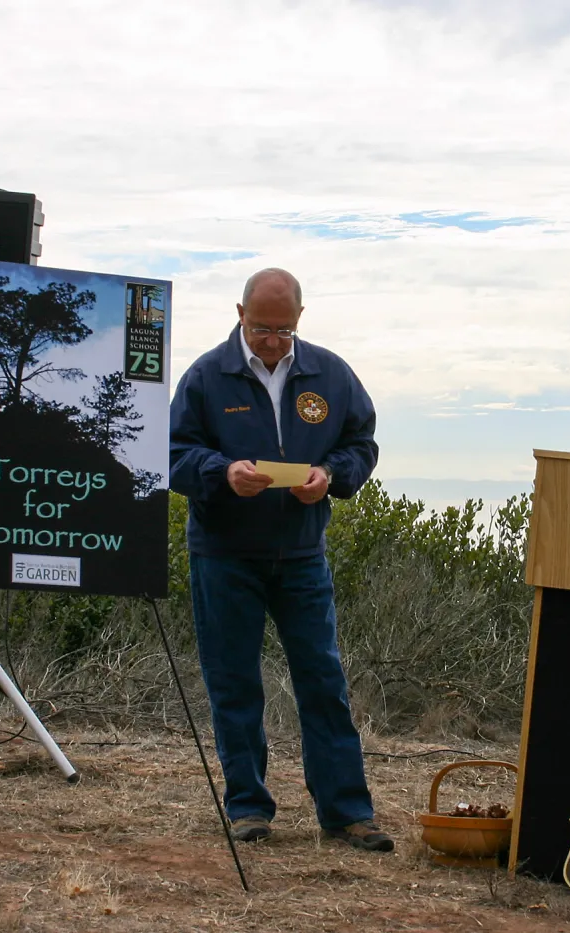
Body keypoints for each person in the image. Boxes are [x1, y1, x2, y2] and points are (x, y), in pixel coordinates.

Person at [169, 268, 393, 852]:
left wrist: (332, 476)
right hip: (224, 556)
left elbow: (361, 444)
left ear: (300, 318)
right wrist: (222, 473)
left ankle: (347, 812)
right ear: (239, 313)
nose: (273, 341)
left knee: (322, 679)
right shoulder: (205, 377)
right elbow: (172, 457)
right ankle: (248, 807)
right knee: (235, 682)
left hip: (301, 555)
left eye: (284, 330)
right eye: (263, 328)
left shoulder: (330, 373)